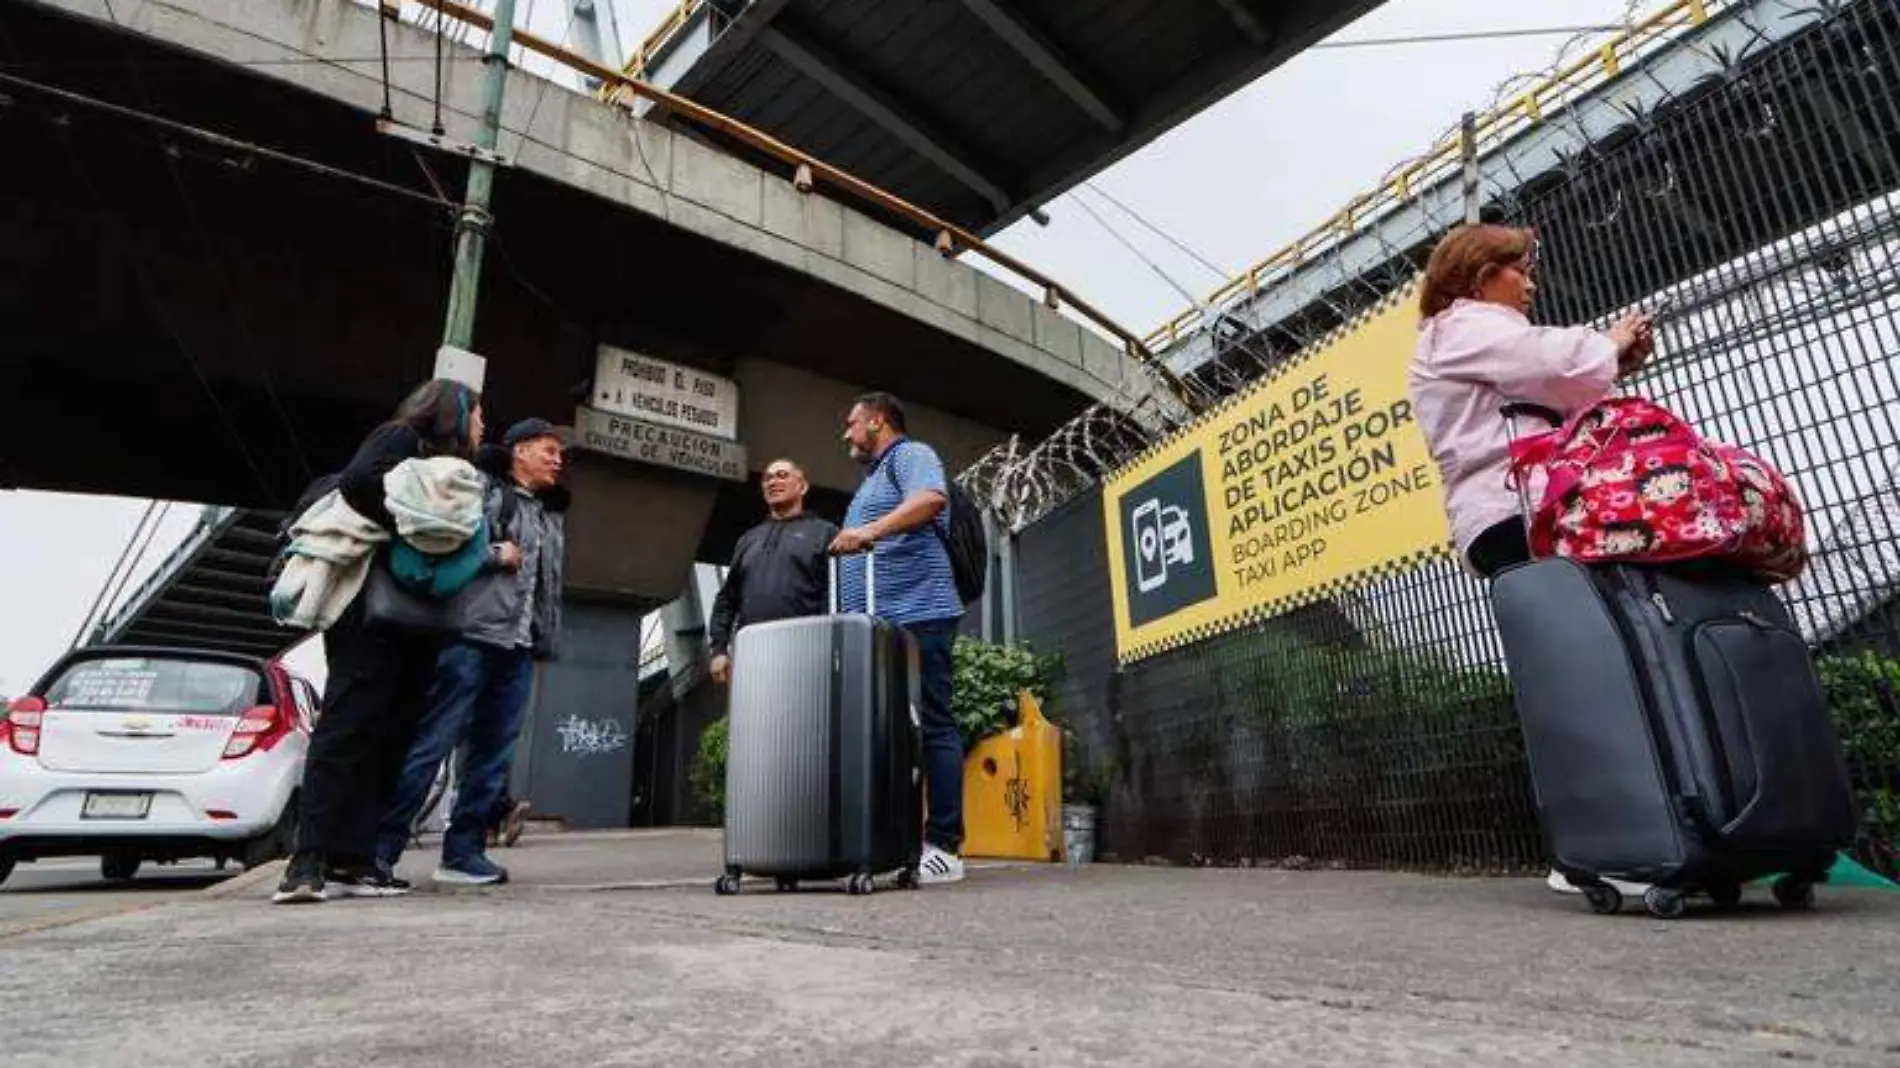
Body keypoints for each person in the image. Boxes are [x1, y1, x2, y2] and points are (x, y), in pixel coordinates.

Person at [1406, 223, 1653, 896]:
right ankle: (1605, 846)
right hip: (1516, 510)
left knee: (1576, 668)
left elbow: (1554, 389)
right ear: (1480, 274)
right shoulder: (1464, 328)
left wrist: (1611, 363)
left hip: (1518, 514)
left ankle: (1611, 836)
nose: (1531, 283)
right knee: (1588, 665)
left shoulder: (1469, 343)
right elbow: (1552, 362)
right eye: (1519, 269)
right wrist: (1609, 342)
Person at [277, 379, 486, 905]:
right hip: (367, 609)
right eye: (479, 414)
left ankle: (357, 859)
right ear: (453, 412)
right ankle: (307, 861)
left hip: (419, 619)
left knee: (394, 734)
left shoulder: (460, 469)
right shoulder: (399, 440)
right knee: (349, 725)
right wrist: (418, 526)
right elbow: (357, 481)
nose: (484, 426)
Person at [374, 418, 569, 888]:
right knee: (432, 743)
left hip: (517, 645)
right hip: (468, 636)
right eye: (549, 450)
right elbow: (435, 540)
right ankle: (378, 853)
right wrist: (490, 555)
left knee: (492, 756)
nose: (558, 460)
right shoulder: (483, 490)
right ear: (519, 451)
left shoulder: (548, 514)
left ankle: (463, 853)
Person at [829, 393, 966, 886]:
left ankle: (946, 847)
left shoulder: (910, 456)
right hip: (885, 626)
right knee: (891, 735)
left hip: (922, 614)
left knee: (933, 724)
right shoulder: (873, 479)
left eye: (852, 423)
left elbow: (931, 500)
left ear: (877, 421)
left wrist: (869, 532)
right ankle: (896, 842)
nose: (846, 433)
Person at [707, 459, 838, 686]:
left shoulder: (826, 533)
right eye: (767, 478)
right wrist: (718, 650)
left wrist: (832, 648)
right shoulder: (748, 539)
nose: (773, 482)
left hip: (807, 654)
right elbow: (727, 599)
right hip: (751, 655)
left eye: (782, 475)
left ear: (803, 486)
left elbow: (837, 595)